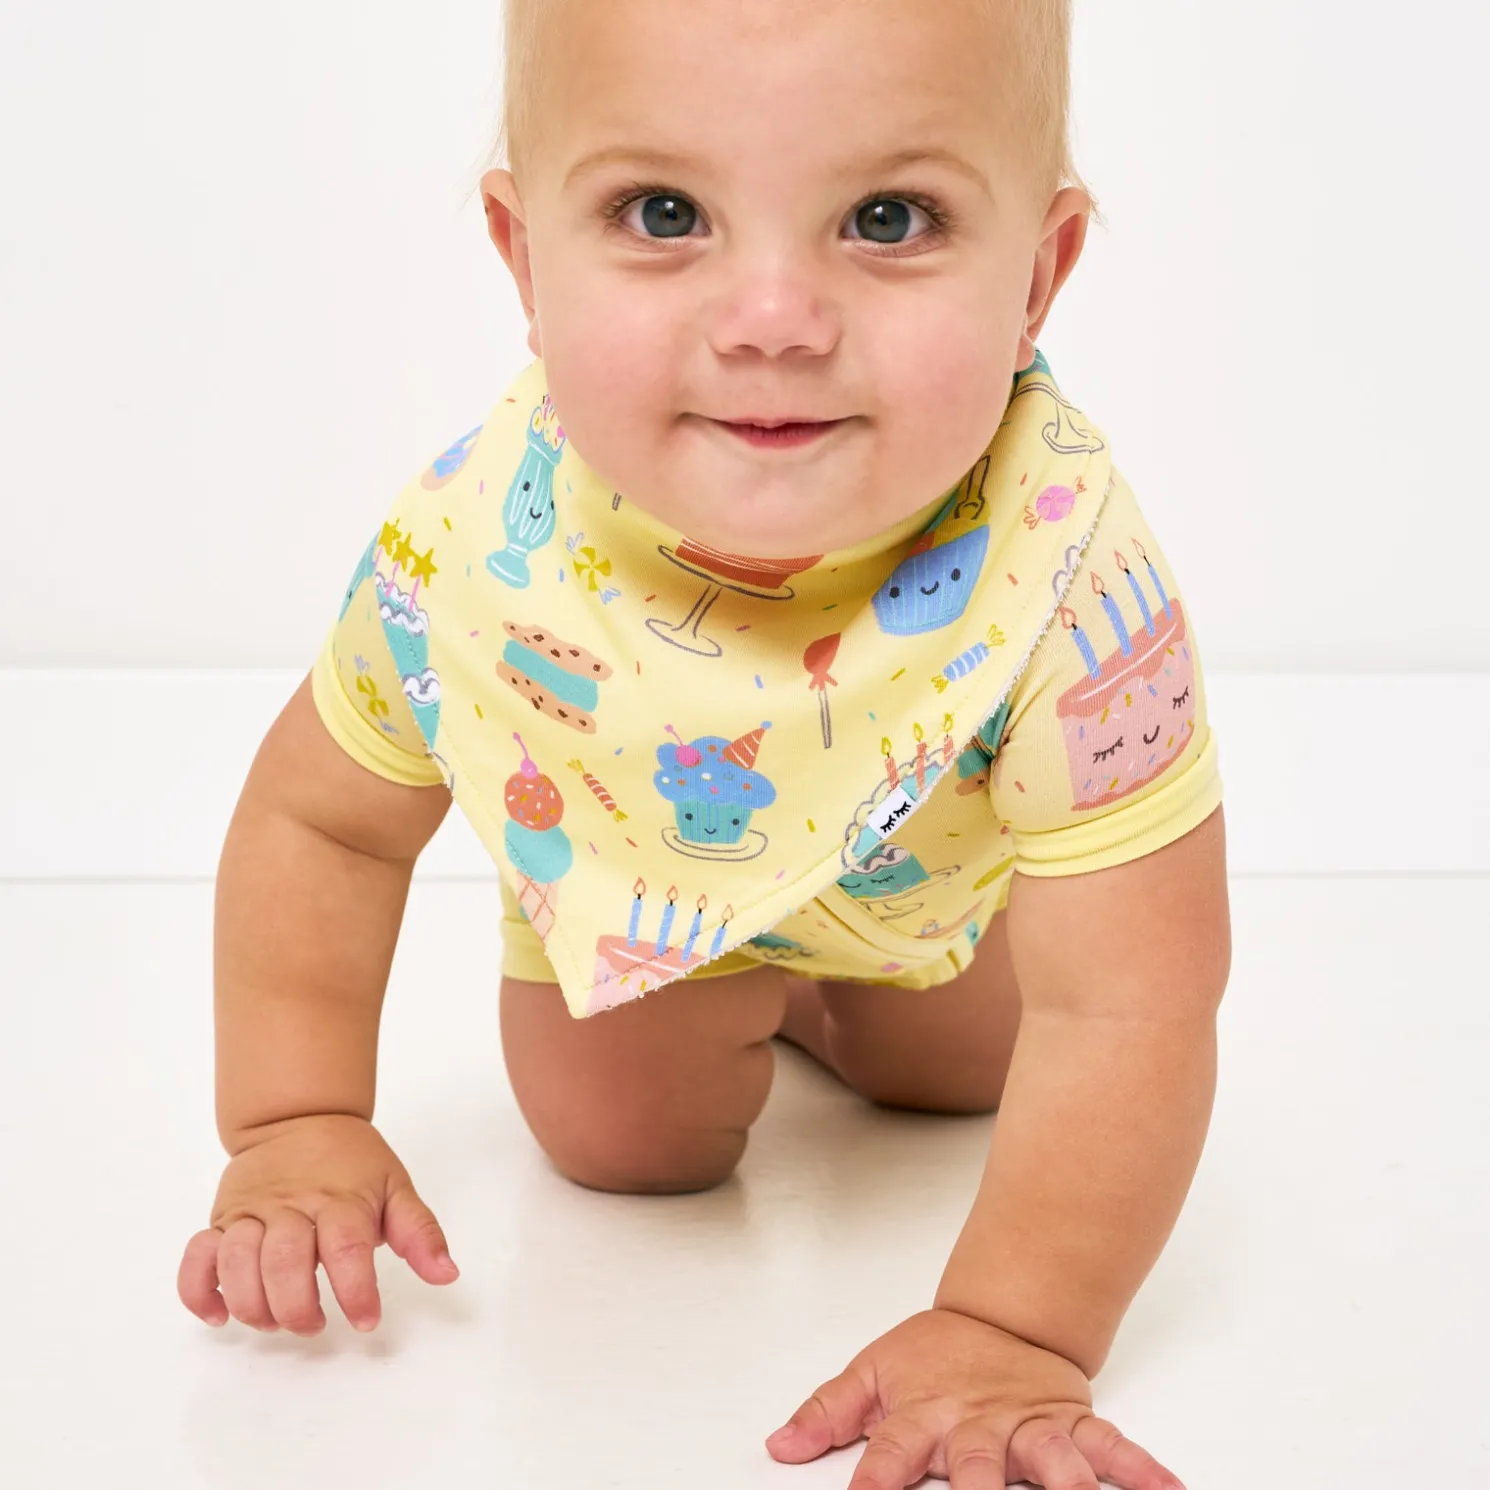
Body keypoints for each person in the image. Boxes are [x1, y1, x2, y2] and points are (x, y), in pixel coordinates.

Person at [178, 3, 1229, 1487]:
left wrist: (1017, 1324)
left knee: (977, 1066)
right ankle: (752, 972)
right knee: (617, 1144)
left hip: (936, 905)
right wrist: (292, 1120)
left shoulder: (1053, 569)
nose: (773, 317)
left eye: (888, 217)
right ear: (523, 259)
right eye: (663, 213)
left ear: (1037, 279)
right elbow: (322, 825)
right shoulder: (482, 548)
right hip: (629, 867)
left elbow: (1132, 1001)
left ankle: (844, 993)